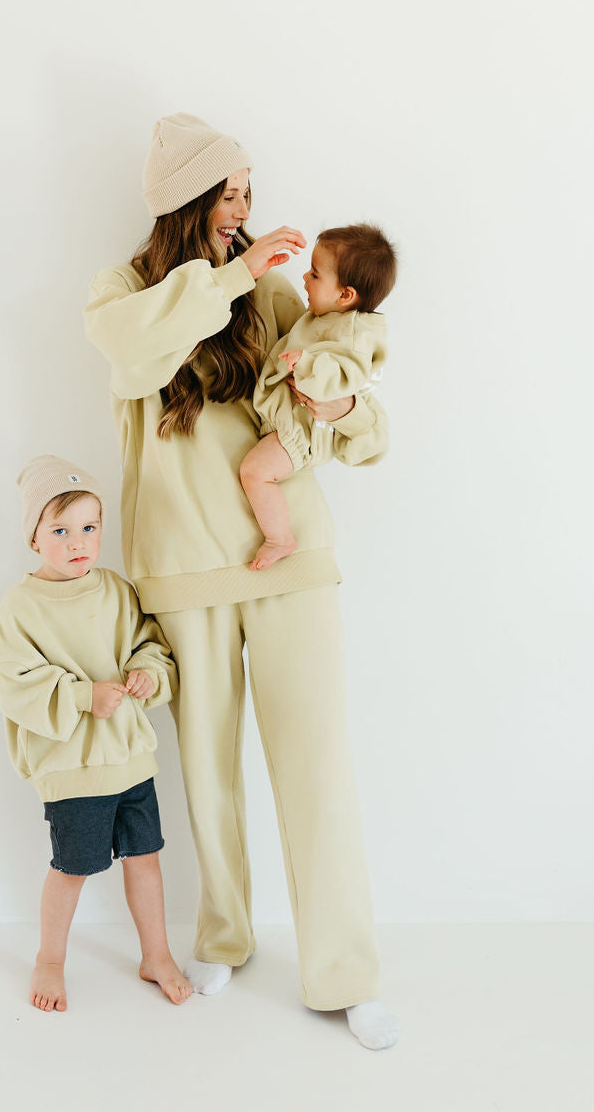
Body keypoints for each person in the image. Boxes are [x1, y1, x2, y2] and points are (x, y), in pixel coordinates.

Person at [84, 114, 400, 1050]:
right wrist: (232, 272)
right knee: (208, 776)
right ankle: (224, 934)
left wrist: (341, 401)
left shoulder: (269, 299)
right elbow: (136, 354)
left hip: (289, 557)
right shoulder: (124, 293)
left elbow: (360, 425)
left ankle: (347, 971)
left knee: (317, 767)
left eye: (250, 193)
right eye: (230, 193)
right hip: (184, 571)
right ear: (185, 201)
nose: (246, 212)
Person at [0, 454, 190, 1013]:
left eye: (89, 527)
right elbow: (12, 683)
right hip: (73, 769)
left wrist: (147, 672)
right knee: (72, 867)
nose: (78, 542)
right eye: (60, 530)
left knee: (145, 857)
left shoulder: (115, 590)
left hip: (130, 758)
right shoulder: (21, 606)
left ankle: (157, 954)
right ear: (34, 537)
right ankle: (50, 959)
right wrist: (83, 695)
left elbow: (148, 639)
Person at [241, 222, 396, 570]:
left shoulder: (355, 334)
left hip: (305, 433)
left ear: (345, 295)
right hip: (295, 424)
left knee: (255, 472)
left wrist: (307, 363)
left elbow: (344, 376)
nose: (305, 280)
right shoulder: (327, 317)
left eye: (314, 274)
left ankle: (279, 538)